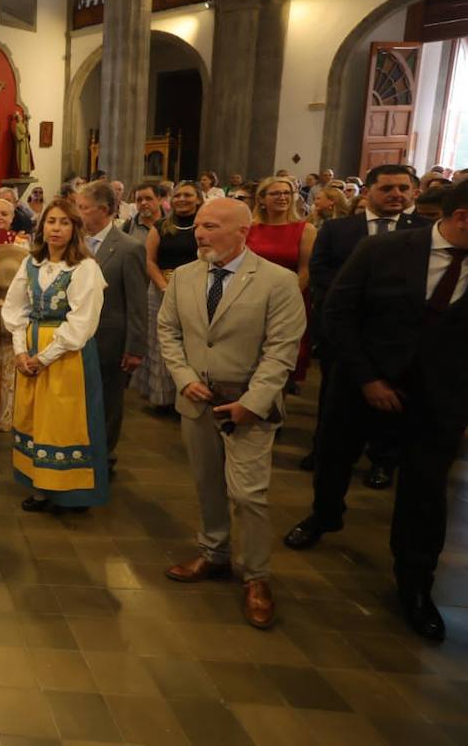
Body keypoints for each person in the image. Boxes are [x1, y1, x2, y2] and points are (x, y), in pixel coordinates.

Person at [287, 180, 468, 640]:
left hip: (440, 399)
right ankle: (325, 514)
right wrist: (368, 378)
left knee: (425, 494)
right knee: (334, 457)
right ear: (462, 217)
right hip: (362, 382)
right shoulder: (383, 250)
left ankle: (415, 585)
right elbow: (338, 314)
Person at [157, 199, 305, 629]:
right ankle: (214, 553)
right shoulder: (185, 276)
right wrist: (184, 377)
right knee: (207, 483)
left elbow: (281, 350)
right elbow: (168, 331)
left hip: (247, 406)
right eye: (199, 226)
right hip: (196, 400)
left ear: (243, 231)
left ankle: (256, 576)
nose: (201, 234)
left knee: (248, 495)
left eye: (212, 226)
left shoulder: (278, 281)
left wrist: (252, 402)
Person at [298, 164, 429, 479]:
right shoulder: (338, 229)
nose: (396, 194)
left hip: (399, 335)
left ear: (414, 192)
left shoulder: (426, 231)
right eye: (387, 188)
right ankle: (325, 451)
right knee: (335, 397)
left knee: (394, 399)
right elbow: (321, 271)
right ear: (368, 192)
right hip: (345, 331)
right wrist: (353, 302)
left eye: (403, 188)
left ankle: (383, 459)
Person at [3, 199, 108, 512]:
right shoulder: (31, 263)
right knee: (34, 419)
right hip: (31, 348)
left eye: (64, 222)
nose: (56, 229)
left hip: (66, 354)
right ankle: (40, 486)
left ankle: (71, 492)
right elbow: (16, 307)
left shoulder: (85, 268)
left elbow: (82, 321)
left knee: (64, 421)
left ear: (75, 228)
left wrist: (45, 357)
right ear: (42, 226)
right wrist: (20, 351)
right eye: (51, 221)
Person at [76, 182, 147, 471]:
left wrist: (135, 348)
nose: (77, 213)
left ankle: (104, 456)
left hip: (110, 338)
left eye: (83, 208)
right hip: (78, 336)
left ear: (104, 210)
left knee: (108, 400)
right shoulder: (76, 244)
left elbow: (137, 303)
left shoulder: (128, 248)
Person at [135, 181, 202, 411]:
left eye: (188, 195)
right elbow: (150, 260)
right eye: (178, 195)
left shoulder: (204, 225)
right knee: (162, 342)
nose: (182, 199)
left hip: (196, 291)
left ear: (198, 198)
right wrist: (164, 287)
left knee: (191, 343)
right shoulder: (161, 226)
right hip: (161, 289)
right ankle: (163, 397)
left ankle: (190, 392)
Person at [246, 177, 316, 384]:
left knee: (281, 359)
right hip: (250, 298)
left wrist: (283, 299)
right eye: (275, 193)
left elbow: (305, 270)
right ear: (262, 199)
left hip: (290, 300)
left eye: (287, 193)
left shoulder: (305, 229)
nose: (282, 197)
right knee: (249, 355)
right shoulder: (249, 228)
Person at [0, 239, 31, 431]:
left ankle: (2, 414)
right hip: (4, 335)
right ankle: (1, 415)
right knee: (2, 373)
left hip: (4, 336)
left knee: (5, 373)